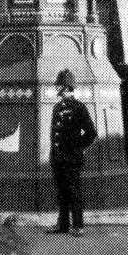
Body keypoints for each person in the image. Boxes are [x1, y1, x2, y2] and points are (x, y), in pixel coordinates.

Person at [46, 70, 97, 236]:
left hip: (71, 158)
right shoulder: (57, 107)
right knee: (61, 192)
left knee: (74, 191)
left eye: (59, 85)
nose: (57, 88)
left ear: (66, 87)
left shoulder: (79, 107)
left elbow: (91, 133)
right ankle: (63, 225)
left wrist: (76, 148)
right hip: (58, 157)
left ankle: (78, 225)